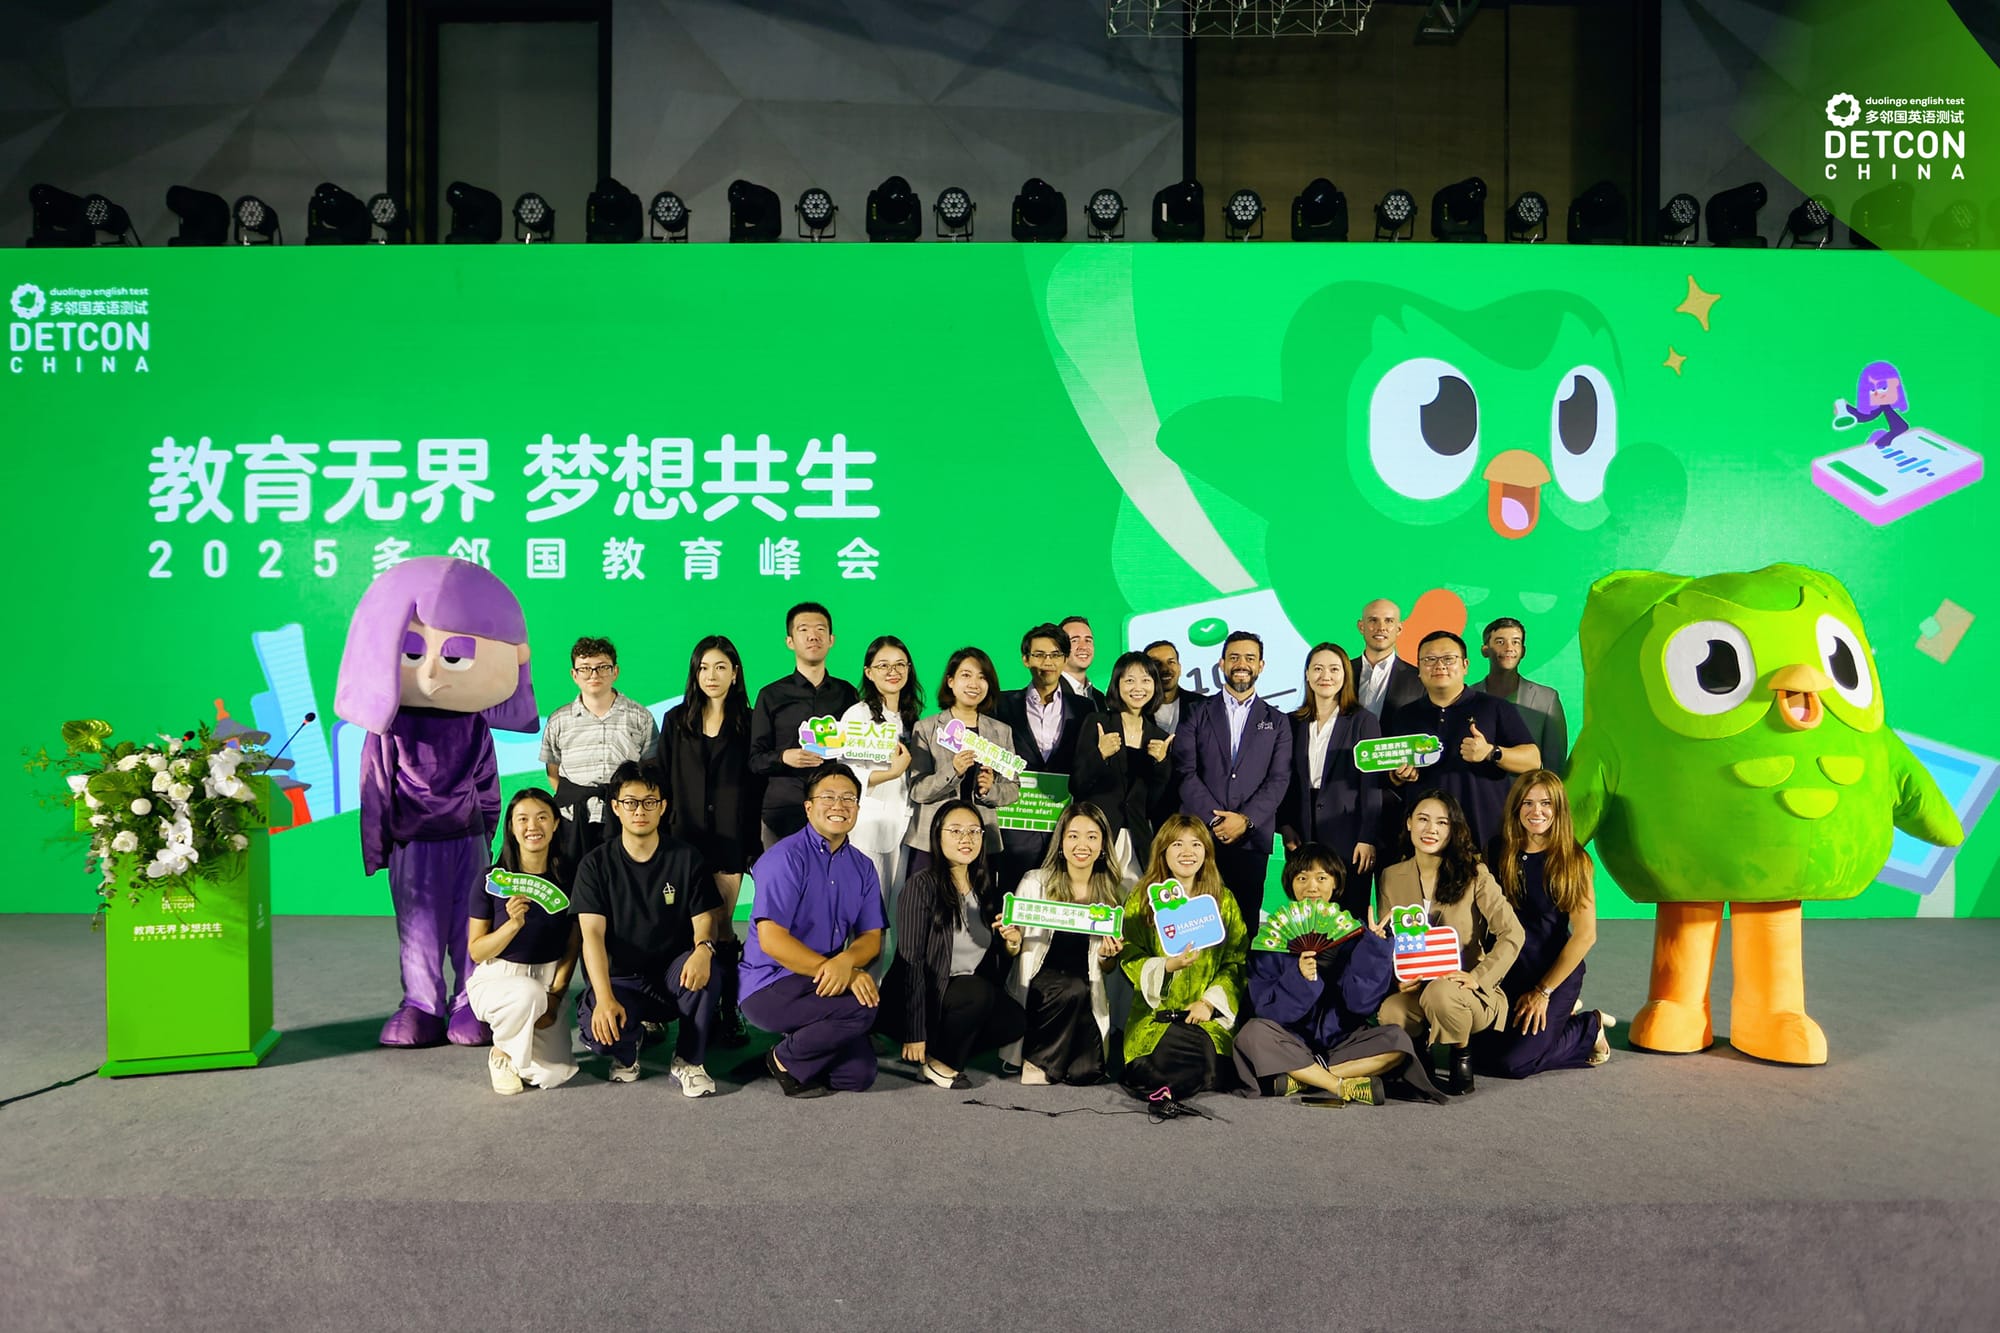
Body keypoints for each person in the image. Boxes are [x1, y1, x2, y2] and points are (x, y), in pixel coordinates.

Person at [335, 556, 539, 1048]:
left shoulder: (473, 725)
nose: (431, 671)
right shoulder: (390, 726)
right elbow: (375, 789)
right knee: (419, 929)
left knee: (473, 921)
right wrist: (378, 848)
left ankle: (471, 1001)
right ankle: (422, 1003)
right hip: (415, 843)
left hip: (467, 840)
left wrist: (488, 840)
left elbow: (488, 786)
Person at [1231, 843, 1445, 1105]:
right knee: (1252, 1034)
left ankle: (1302, 1078)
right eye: (1302, 878)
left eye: (1322, 878)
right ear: (1291, 885)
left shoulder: (1354, 935)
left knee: (1397, 1040)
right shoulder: (1269, 942)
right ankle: (1337, 1084)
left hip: (1342, 1041)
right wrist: (1300, 979)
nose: (1312, 886)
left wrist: (1375, 948)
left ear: (1335, 884)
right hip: (1290, 1039)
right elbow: (1267, 1011)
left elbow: (1360, 1004)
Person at [571, 762, 725, 1095]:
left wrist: (703, 949)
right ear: (616, 807)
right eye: (630, 802)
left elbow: (704, 919)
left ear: (663, 806)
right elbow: (592, 937)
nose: (640, 810)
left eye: (649, 801)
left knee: (708, 972)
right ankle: (627, 1052)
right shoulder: (595, 865)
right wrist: (604, 998)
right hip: (620, 980)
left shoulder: (685, 858)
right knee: (602, 1033)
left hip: (671, 976)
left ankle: (688, 1060)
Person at [738, 764, 886, 1097]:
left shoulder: (862, 867)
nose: (839, 806)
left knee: (859, 1074)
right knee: (862, 1008)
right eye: (828, 797)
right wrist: (837, 972)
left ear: (858, 809)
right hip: (771, 982)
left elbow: (871, 938)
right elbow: (772, 940)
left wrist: (846, 963)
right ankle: (783, 1059)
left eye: (849, 798)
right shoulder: (784, 858)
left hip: (822, 981)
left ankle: (801, 1043)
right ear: (808, 807)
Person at [1375, 790, 1525, 1096]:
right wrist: (1395, 971)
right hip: (1418, 985)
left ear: (1453, 829)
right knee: (1390, 1012)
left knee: (1442, 994)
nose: (1431, 829)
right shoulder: (1391, 876)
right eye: (1423, 820)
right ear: (1408, 824)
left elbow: (1513, 933)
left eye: (1442, 823)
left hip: (1464, 987)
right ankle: (1419, 1057)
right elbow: (1395, 941)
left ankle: (1461, 1054)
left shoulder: (1475, 872)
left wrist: (1478, 977)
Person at [651, 635, 758, 1044]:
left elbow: (755, 785)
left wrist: (751, 844)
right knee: (685, 928)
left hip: (730, 841)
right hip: (684, 840)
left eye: (720, 667)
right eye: (703, 668)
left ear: (735, 673)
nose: (711, 676)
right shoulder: (676, 721)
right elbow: (662, 777)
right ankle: (680, 1004)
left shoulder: (748, 721)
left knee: (721, 927)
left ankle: (726, 1008)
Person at [1473, 771, 1612, 1077]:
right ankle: (1558, 1021)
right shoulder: (1498, 850)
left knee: (1512, 1064)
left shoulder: (1573, 860)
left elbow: (1585, 936)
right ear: (1516, 808)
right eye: (1528, 803)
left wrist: (1543, 992)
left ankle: (1588, 1026)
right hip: (1508, 969)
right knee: (1477, 1056)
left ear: (1558, 809)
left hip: (1551, 974)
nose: (1537, 812)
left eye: (1546, 803)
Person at [881, 799, 1025, 1089]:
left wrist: (1012, 943)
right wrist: (914, 1029)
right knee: (977, 992)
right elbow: (911, 962)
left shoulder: (987, 887)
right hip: (920, 998)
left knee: (1014, 1020)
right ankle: (939, 1062)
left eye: (974, 831)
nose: (966, 839)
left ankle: (942, 1044)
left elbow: (996, 954)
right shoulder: (921, 885)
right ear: (938, 835)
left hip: (961, 995)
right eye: (956, 831)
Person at [1118, 816, 1249, 1100]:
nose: (1187, 852)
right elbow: (1129, 953)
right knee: (1153, 1065)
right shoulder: (1142, 898)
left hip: (1205, 1020)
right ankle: (1166, 1089)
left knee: (1211, 1067)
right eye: (1177, 844)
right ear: (1163, 851)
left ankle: (1168, 1091)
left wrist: (1209, 1003)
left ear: (1207, 852)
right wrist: (1166, 965)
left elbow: (1236, 961)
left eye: (1196, 844)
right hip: (1155, 1018)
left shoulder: (1222, 900)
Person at [1171, 631, 1292, 929]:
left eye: (1250, 658)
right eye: (1235, 657)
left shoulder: (1277, 720)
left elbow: (1279, 779)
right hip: (1200, 838)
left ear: (1261, 666)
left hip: (1251, 841)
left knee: (1245, 925)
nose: (1242, 664)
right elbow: (1185, 772)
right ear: (1221, 663)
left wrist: (1245, 820)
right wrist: (1215, 821)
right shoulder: (1196, 713)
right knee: (1195, 924)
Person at [465, 788, 580, 1094]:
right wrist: (512, 926)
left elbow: (572, 945)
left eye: (542, 817)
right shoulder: (491, 878)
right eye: (523, 819)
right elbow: (476, 951)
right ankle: (501, 1052)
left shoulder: (570, 878)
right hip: (498, 979)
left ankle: (519, 1048)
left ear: (556, 824)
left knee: (554, 1075)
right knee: (527, 994)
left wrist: (556, 996)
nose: (533, 826)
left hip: (547, 979)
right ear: (512, 827)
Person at [1384, 630, 1541, 850]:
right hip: (1426, 843)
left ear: (1465, 665)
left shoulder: (1494, 707)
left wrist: (1491, 752)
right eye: (1429, 660)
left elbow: (1533, 760)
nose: (1439, 666)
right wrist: (1399, 776)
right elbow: (1392, 777)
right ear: (1418, 669)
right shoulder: (1405, 715)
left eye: (1449, 659)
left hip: (1485, 839)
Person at [1005, 802, 1127, 1085]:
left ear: (1103, 846)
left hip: (1087, 988)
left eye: (1092, 836)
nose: (1082, 844)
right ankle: (1038, 1062)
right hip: (1042, 981)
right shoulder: (1035, 882)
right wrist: (1012, 941)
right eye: (1073, 836)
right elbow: (1014, 950)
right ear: (1060, 842)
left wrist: (1110, 955)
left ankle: (1055, 1059)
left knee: (1086, 1073)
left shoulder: (1112, 894)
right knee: (1072, 987)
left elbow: (1107, 968)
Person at [1276, 642, 1382, 919]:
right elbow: (1282, 779)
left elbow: (1370, 784)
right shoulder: (1291, 722)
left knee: (1349, 912)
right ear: (1308, 675)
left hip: (1348, 831)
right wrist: (1286, 826)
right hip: (1302, 829)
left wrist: (1367, 837)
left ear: (1345, 675)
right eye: (1318, 669)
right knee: (1308, 916)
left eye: (1334, 669)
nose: (1326, 676)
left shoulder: (1362, 721)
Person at [541, 635, 659, 871]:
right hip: (574, 820)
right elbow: (553, 772)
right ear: (574, 675)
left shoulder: (639, 716)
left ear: (615, 671)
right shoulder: (559, 720)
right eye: (585, 669)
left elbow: (650, 767)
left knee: (623, 881)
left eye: (602, 668)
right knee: (575, 884)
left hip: (624, 818)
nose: (594, 675)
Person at [748, 602, 859, 849]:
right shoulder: (771, 695)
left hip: (835, 810)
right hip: (783, 810)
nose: (813, 636)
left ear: (831, 639)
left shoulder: (848, 694)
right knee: (782, 884)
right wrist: (784, 757)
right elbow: (755, 759)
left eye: (820, 629)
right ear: (790, 641)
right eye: (803, 629)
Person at [994, 623, 1094, 893]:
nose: (1047, 662)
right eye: (1038, 655)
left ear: (1064, 658)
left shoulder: (1086, 708)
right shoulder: (1001, 705)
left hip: (1065, 826)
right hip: (1016, 827)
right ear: (1025, 659)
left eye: (1054, 654)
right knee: (1011, 906)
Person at [905, 647, 1021, 877]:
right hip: (932, 841)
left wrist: (990, 790)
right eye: (966, 675)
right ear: (950, 681)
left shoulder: (1000, 732)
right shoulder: (927, 728)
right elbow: (917, 790)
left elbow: (1013, 788)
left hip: (980, 842)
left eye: (982, 677)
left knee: (978, 909)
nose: (974, 684)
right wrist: (953, 770)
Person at [839, 635, 921, 950]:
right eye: (883, 665)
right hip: (868, 829)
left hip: (905, 830)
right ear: (868, 672)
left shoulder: (914, 718)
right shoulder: (857, 716)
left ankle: (884, 991)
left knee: (895, 917)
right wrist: (891, 773)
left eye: (900, 664)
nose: (892, 671)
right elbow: (845, 774)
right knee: (865, 919)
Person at [1070, 650, 1174, 876]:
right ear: (1117, 684)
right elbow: (1077, 785)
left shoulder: (1159, 736)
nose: (1138, 688)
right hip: (1095, 836)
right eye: (1129, 680)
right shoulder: (1098, 723)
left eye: (1146, 680)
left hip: (1138, 841)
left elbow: (1156, 805)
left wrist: (1162, 764)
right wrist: (1100, 755)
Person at [1470, 618, 1570, 775]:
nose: (1509, 648)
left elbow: (1555, 764)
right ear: (1485, 650)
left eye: (1515, 642)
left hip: (1526, 795)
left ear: (1523, 651)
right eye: (1500, 642)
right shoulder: (1468, 697)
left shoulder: (1546, 699)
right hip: (1479, 794)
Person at [1145, 638, 1204, 832]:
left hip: (1195, 813)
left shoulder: (1203, 706)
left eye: (1171, 662)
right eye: (1157, 664)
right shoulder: (1134, 710)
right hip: (1149, 814)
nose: (1165, 669)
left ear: (1179, 667)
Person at [1352, 599, 1425, 719]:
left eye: (1389, 621)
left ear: (1399, 629)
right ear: (1361, 627)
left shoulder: (1419, 680)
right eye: (1373, 620)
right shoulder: (1341, 672)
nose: (1381, 627)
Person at [1058, 614, 1109, 706]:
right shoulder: (1048, 692)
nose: (1083, 647)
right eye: (1074, 640)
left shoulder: (1099, 698)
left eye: (1088, 640)